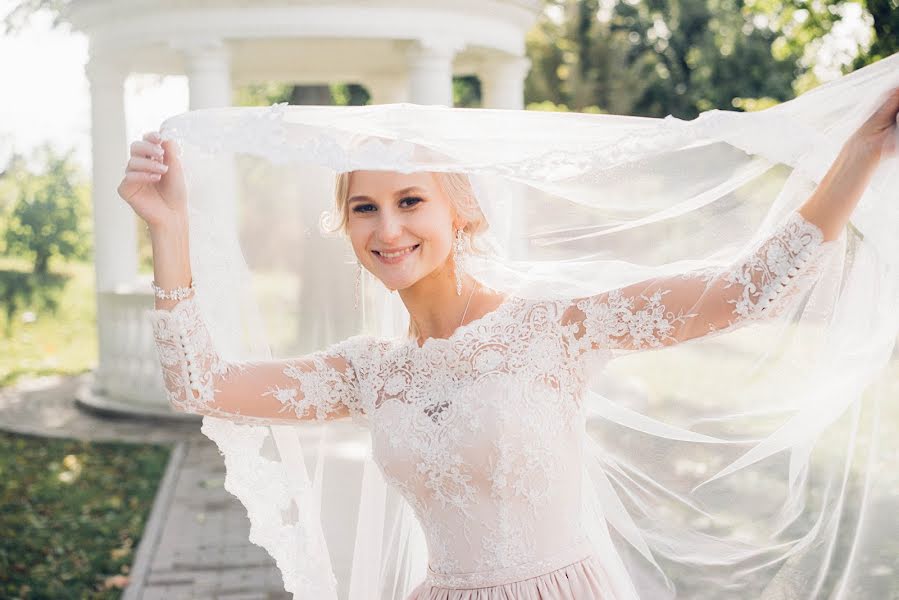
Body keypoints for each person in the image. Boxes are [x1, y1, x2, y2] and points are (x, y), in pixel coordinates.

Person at [118, 82, 899, 599]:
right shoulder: (368, 372)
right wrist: (169, 228)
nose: (387, 229)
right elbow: (199, 384)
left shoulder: (554, 326)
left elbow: (747, 292)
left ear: (461, 210)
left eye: (409, 200)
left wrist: (859, 155)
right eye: (363, 208)